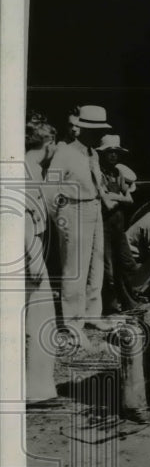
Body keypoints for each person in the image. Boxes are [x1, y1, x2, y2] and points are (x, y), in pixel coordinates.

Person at [45, 105, 114, 343]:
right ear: (81, 129)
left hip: (94, 208)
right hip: (73, 210)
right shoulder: (65, 152)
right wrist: (61, 218)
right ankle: (73, 323)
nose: (99, 135)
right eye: (94, 130)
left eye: (101, 130)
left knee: (96, 263)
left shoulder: (92, 153)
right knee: (75, 268)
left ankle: (92, 313)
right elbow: (50, 188)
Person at [24, 119, 60, 399]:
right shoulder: (25, 171)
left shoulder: (31, 168)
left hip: (32, 248)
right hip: (29, 250)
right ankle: (37, 390)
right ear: (48, 145)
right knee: (40, 321)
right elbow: (21, 217)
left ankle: (38, 386)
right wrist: (34, 257)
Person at [96, 135, 141, 313]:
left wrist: (115, 197)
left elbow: (129, 200)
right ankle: (109, 308)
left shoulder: (118, 173)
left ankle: (129, 302)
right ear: (102, 154)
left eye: (116, 152)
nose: (113, 156)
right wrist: (119, 198)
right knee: (107, 268)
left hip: (118, 226)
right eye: (109, 152)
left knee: (127, 263)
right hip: (103, 226)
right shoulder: (98, 173)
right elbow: (104, 200)